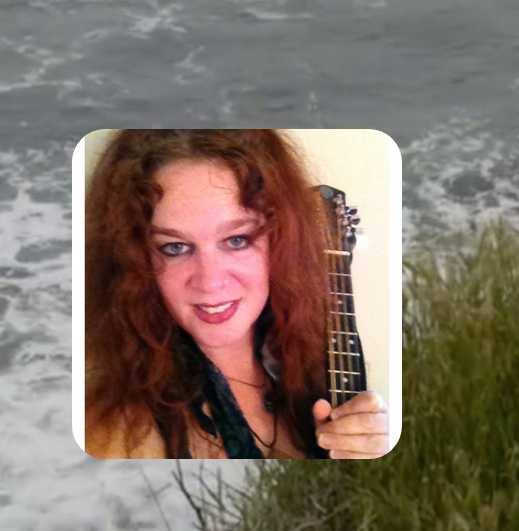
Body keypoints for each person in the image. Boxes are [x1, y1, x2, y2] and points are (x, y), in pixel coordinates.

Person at [83, 129, 389, 459]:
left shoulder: (313, 366)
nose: (210, 281)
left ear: (281, 243)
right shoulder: (118, 434)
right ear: (133, 261)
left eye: (237, 240)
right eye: (175, 247)